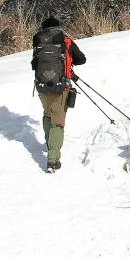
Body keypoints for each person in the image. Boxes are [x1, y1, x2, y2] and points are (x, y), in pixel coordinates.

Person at [31, 16, 86, 173]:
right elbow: (82, 59)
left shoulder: (38, 41)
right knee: (58, 122)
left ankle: (50, 144)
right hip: (60, 86)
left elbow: (34, 64)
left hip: (41, 86)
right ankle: (53, 160)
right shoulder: (65, 39)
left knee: (47, 114)